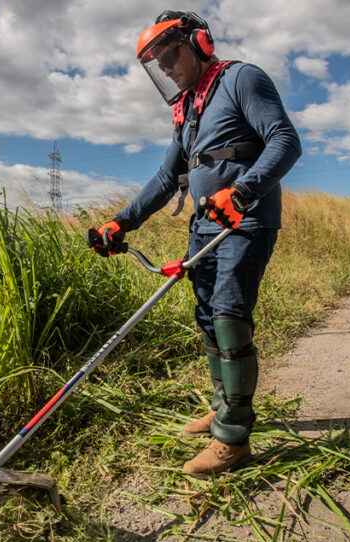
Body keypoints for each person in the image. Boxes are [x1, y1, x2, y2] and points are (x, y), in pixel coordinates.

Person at [88, 10, 301, 477]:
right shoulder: (187, 110)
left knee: (228, 317)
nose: (166, 67)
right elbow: (167, 177)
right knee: (206, 318)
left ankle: (234, 438)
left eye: (170, 54)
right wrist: (120, 222)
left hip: (245, 221)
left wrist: (244, 191)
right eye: (158, 63)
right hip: (205, 227)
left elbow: (285, 141)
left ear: (199, 42)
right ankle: (221, 405)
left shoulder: (241, 78)